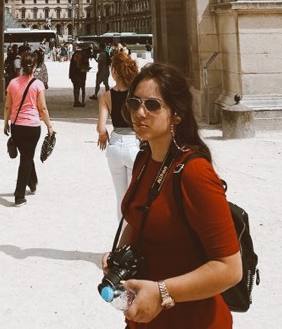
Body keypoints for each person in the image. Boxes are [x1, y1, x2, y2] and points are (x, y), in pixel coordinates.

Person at [103, 62, 242, 327]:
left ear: (176, 114)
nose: (140, 113)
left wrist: (162, 292)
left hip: (191, 319)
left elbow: (230, 268)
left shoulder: (195, 173)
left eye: (152, 105)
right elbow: (136, 217)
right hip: (146, 315)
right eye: (134, 103)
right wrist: (119, 256)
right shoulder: (145, 158)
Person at [4, 51, 54, 207]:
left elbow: (7, 106)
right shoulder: (38, 84)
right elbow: (43, 108)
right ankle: (19, 195)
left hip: (17, 125)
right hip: (32, 126)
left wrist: (5, 122)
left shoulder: (12, 83)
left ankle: (32, 182)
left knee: (26, 155)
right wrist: (50, 126)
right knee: (26, 158)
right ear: (35, 66)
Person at [96, 51, 140, 218]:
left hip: (114, 147)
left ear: (113, 71)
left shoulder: (106, 96)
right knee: (135, 196)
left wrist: (103, 136)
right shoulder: (136, 95)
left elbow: (101, 128)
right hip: (134, 145)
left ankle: (122, 238)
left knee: (121, 197)